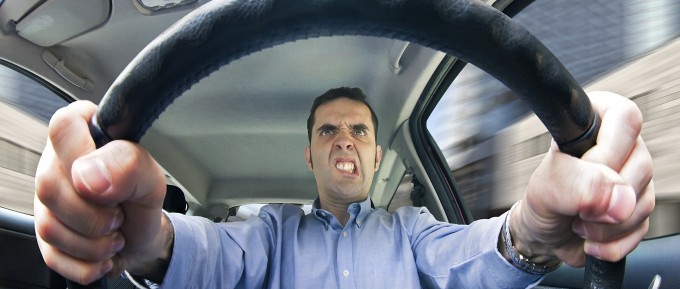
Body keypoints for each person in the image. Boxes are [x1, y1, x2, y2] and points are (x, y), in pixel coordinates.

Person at [34, 87, 654, 288]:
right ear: (311, 155)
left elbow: (476, 254)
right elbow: (214, 254)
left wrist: (535, 228)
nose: (343, 139)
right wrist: (149, 241)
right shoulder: (270, 231)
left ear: (377, 154)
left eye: (358, 131)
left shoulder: (411, 234)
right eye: (328, 131)